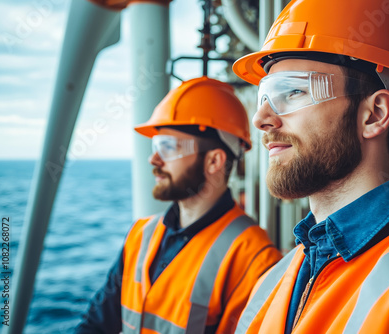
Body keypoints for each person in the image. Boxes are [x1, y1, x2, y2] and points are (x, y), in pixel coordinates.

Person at [231, 0, 389, 333]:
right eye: (264, 97)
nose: (261, 119)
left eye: (293, 91)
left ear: (375, 114)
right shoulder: (273, 282)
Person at [76, 77, 282, 334]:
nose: (154, 159)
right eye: (155, 146)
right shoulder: (140, 235)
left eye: (168, 147)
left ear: (214, 161)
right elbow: (96, 324)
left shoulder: (255, 258)